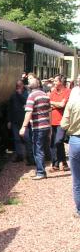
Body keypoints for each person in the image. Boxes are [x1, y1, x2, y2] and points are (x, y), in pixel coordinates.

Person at [19, 76, 51, 180]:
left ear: (30, 87)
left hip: (38, 127)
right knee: (41, 148)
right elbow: (49, 111)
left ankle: (41, 172)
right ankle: (40, 170)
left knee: (38, 149)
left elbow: (29, 112)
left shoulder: (31, 96)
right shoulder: (45, 95)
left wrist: (23, 127)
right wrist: (49, 126)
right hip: (46, 125)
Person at [61, 88, 80, 217]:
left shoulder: (73, 101)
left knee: (77, 179)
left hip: (76, 140)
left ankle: (79, 210)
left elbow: (63, 124)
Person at [49, 75, 70, 170]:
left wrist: (53, 103)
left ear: (61, 82)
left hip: (62, 121)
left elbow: (62, 105)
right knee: (53, 143)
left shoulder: (67, 92)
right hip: (53, 120)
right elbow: (49, 103)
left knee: (58, 141)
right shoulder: (53, 92)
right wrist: (55, 104)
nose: (54, 83)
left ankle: (62, 162)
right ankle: (57, 164)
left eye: (56, 81)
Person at [7, 79, 29, 161]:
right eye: (17, 86)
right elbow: (9, 108)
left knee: (26, 138)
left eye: (19, 86)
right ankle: (19, 155)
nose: (18, 87)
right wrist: (9, 120)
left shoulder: (27, 94)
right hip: (15, 120)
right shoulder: (13, 95)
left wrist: (20, 95)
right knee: (17, 139)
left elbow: (26, 103)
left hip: (24, 120)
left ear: (23, 86)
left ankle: (29, 155)